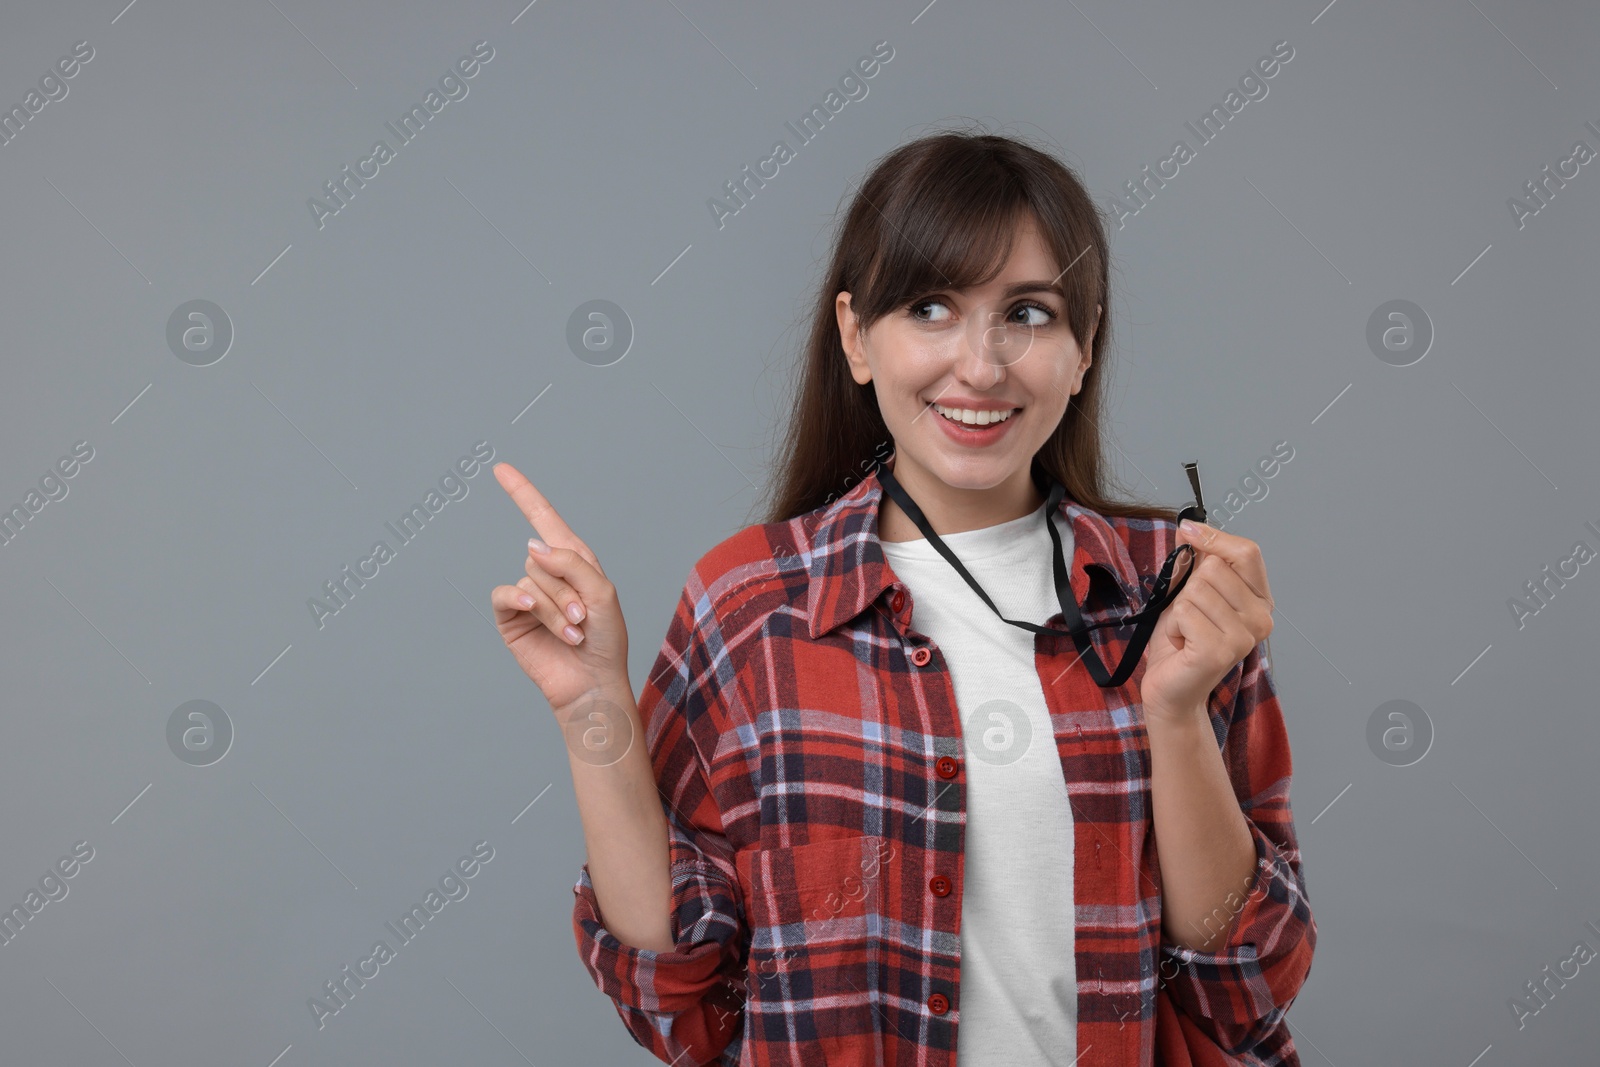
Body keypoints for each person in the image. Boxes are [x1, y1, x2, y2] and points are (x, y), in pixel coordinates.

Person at [489, 128, 1316, 1066]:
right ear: (857, 337)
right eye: (931, 308)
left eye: (1031, 314)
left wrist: (1172, 715)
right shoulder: (752, 605)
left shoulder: (1175, 591)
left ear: (1084, 349)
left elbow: (1247, 983)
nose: (982, 364)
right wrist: (591, 703)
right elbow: (684, 998)